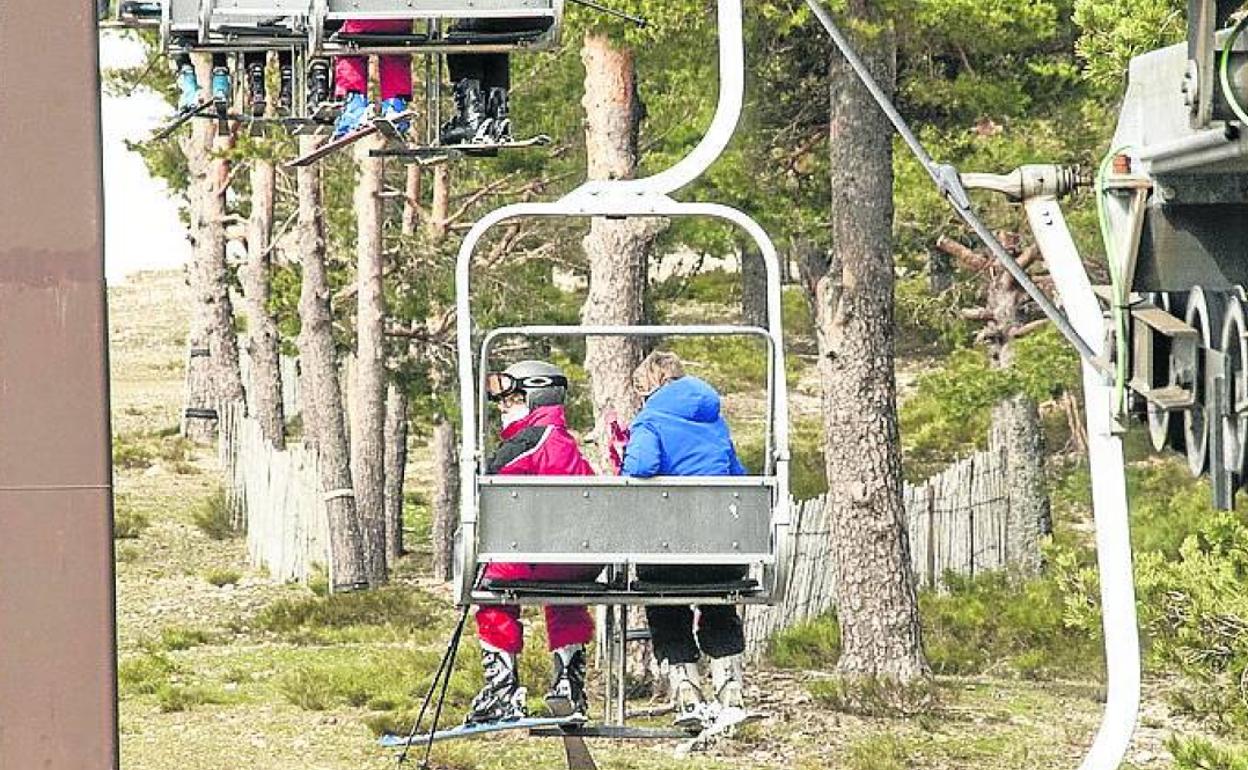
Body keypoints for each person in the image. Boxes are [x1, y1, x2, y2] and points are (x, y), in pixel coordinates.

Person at [467, 360, 602, 725]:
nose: (502, 409)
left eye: (510, 400)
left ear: (535, 397)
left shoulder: (529, 442)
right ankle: (569, 684)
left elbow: (491, 479)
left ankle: (503, 689)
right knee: (566, 600)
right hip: (578, 562)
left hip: (526, 558)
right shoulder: (569, 447)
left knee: (490, 591)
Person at [620, 351, 749, 728]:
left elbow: (640, 468)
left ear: (649, 385)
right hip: (721, 551)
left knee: (666, 606)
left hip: (668, 549)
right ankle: (730, 687)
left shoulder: (650, 420)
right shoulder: (715, 421)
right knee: (720, 605)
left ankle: (687, 690)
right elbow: (737, 477)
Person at [439, 16, 553, 145]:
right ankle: (497, 116)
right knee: (493, 35)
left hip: (498, 17)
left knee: (461, 33)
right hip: (540, 18)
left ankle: (472, 118)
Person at [331, 20, 413, 139]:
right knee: (395, 50)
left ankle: (355, 107)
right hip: (400, 23)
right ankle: (395, 104)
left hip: (360, 23)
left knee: (349, 50)